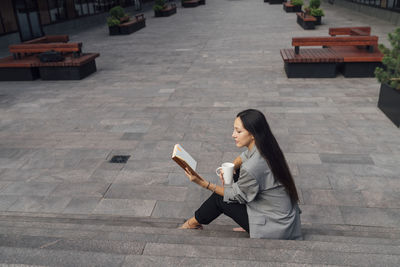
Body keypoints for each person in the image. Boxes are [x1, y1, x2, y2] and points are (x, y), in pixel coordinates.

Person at [180, 109, 302, 240]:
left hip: (275, 226)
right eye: (234, 130)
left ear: (253, 134)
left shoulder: (253, 166)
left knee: (219, 199)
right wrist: (233, 166)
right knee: (237, 173)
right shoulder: (267, 146)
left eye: (238, 131)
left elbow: (233, 195)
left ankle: (191, 224)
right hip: (284, 217)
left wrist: (203, 183)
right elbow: (245, 156)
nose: (233, 135)